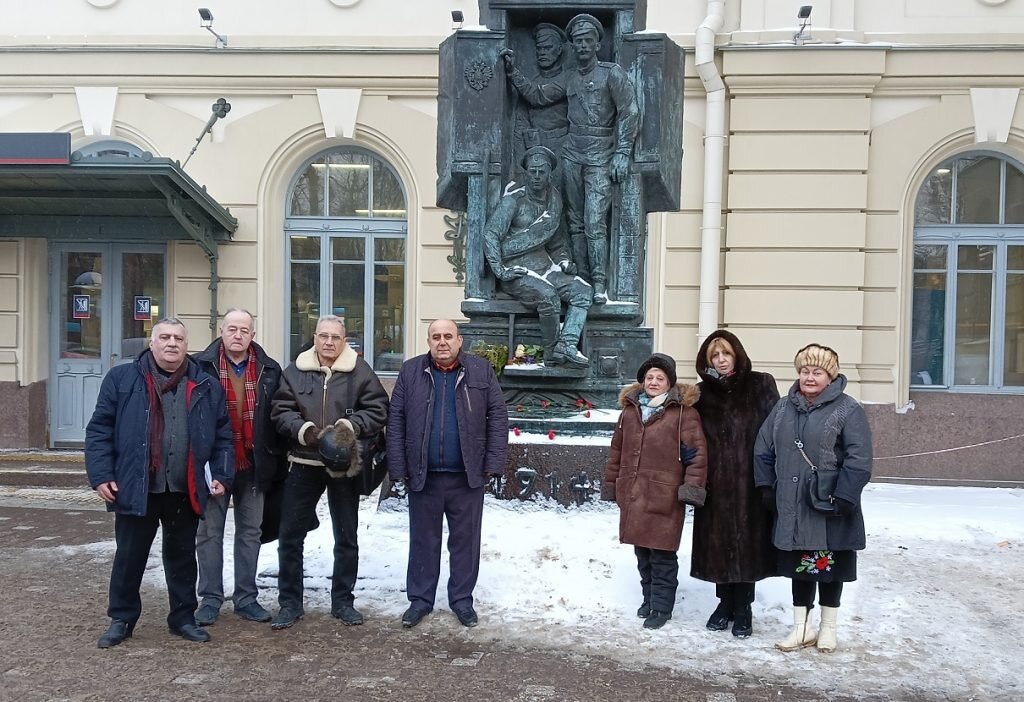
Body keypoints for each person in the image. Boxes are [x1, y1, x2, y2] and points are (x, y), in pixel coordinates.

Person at [85, 317, 234, 648]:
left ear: (186, 345)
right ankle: (121, 618)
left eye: (179, 338)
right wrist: (101, 475)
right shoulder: (123, 379)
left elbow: (223, 435)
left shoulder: (206, 384)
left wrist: (222, 475)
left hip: (185, 486)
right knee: (130, 555)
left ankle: (182, 617)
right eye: (164, 337)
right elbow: (99, 430)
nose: (172, 343)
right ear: (151, 344)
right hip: (137, 486)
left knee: (181, 557)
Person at [501, 13, 639, 304]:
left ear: (598, 43)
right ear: (573, 46)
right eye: (578, 41)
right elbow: (538, 96)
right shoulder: (569, 77)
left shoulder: (611, 73)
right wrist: (513, 73)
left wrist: (623, 153)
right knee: (574, 221)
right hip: (572, 155)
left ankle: (600, 282)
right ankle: (584, 279)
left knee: (593, 221)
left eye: (588, 40)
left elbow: (630, 112)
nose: (583, 46)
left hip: (601, 156)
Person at [386, 319, 509, 629]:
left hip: (466, 476)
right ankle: (420, 600)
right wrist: (398, 469)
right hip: (423, 475)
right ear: (428, 341)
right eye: (436, 336)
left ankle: (462, 600)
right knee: (423, 541)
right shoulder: (411, 371)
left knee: (465, 542)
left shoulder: (480, 371)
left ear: (460, 340)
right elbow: (396, 421)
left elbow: (497, 418)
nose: (442, 342)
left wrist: (492, 465)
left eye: (448, 336)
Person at [269, 314, 389, 630]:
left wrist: (349, 428)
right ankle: (290, 603)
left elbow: (378, 409)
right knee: (290, 537)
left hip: (343, 464)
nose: (329, 342)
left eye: (336, 337)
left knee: (346, 536)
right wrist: (306, 431)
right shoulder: (294, 371)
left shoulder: (360, 371)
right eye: (324, 336)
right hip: (304, 463)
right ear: (315, 337)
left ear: (344, 339)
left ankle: (343, 602)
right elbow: (281, 410)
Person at [753, 344, 873, 653]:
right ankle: (801, 629)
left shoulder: (848, 409)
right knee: (801, 566)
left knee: (830, 566)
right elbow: (763, 449)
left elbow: (859, 458)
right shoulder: (783, 408)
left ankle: (828, 628)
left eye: (817, 372)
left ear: (830, 376)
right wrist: (766, 486)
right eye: (805, 371)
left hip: (830, 506)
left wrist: (846, 495)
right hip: (793, 505)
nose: (809, 377)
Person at [601, 353, 708, 630]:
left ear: (669, 383)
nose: (654, 382)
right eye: (649, 377)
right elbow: (616, 452)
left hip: (665, 495)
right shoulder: (630, 412)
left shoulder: (684, 414)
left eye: (660, 378)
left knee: (662, 555)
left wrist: (691, 489)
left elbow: (696, 455)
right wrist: (612, 484)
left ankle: (661, 607)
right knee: (642, 552)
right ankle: (648, 598)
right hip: (634, 493)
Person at [193, 308, 285, 626]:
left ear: (252, 335)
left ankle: (246, 597)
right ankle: (210, 599)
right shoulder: (200, 367)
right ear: (222, 330)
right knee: (209, 532)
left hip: (254, 462)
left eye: (244, 330)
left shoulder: (270, 370)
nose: (237, 335)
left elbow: (278, 415)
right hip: (213, 462)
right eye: (232, 329)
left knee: (250, 532)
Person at [690, 330, 779, 638]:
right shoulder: (700, 394)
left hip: (751, 482)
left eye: (726, 353)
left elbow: (774, 433)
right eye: (715, 355)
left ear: (737, 354)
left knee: (746, 544)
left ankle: (744, 607)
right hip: (715, 482)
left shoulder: (760, 385)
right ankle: (724, 603)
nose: (721, 360)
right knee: (718, 543)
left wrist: (771, 478)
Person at [483, 145, 592, 368]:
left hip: (545, 267)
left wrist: (563, 261)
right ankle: (551, 354)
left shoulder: (554, 202)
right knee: (548, 296)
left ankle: (567, 345)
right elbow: (491, 234)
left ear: (549, 174)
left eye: (541, 172)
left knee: (583, 291)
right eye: (532, 171)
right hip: (517, 270)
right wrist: (500, 270)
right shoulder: (513, 201)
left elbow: (557, 242)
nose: (536, 176)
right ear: (525, 173)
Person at [512, 23, 569, 166]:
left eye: (548, 48)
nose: (543, 53)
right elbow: (521, 122)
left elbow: (537, 96)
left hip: (563, 148)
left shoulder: (569, 78)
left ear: (559, 49)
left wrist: (512, 73)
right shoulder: (531, 82)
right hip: (534, 150)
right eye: (539, 48)